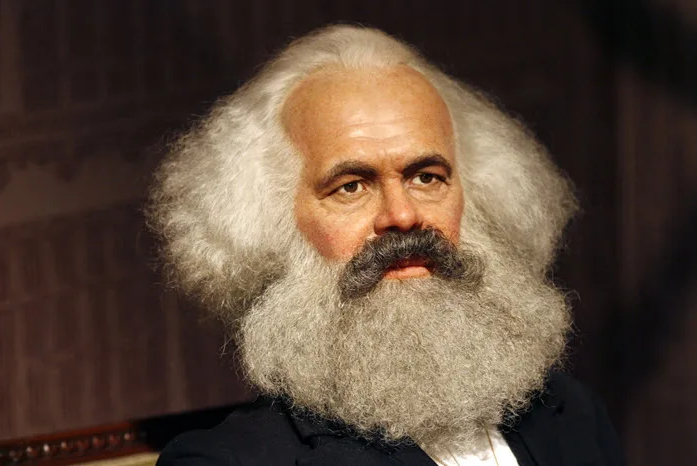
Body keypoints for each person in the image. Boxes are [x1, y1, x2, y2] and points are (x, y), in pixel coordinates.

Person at [148, 25, 624, 466]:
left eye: (426, 177)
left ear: (477, 197)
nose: (402, 215)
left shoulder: (574, 413)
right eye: (351, 186)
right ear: (271, 223)